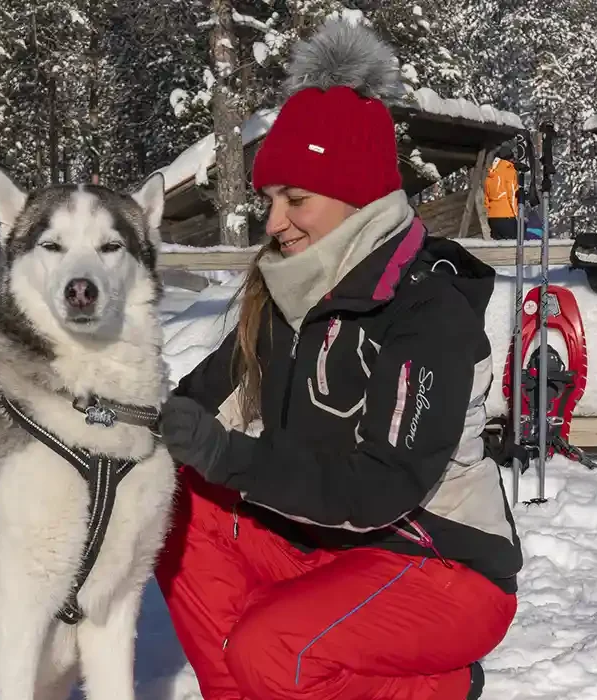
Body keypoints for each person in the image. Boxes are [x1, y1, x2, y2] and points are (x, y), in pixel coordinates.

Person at [154, 19, 522, 700]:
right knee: (175, 503)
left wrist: (228, 455)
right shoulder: (283, 290)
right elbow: (195, 404)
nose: (274, 222)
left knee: (275, 652)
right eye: (269, 200)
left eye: (295, 199)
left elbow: (382, 487)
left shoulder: (425, 311)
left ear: (357, 198)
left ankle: (438, 689)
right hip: (332, 548)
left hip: (442, 563)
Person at [483, 147, 519, 239]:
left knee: (498, 250)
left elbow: (486, 197)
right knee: (511, 249)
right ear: (510, 158)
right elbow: (512, 194)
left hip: (492, 218)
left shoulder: (492, 173)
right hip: (507, 216)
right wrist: (517, 215)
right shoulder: (509, 169)